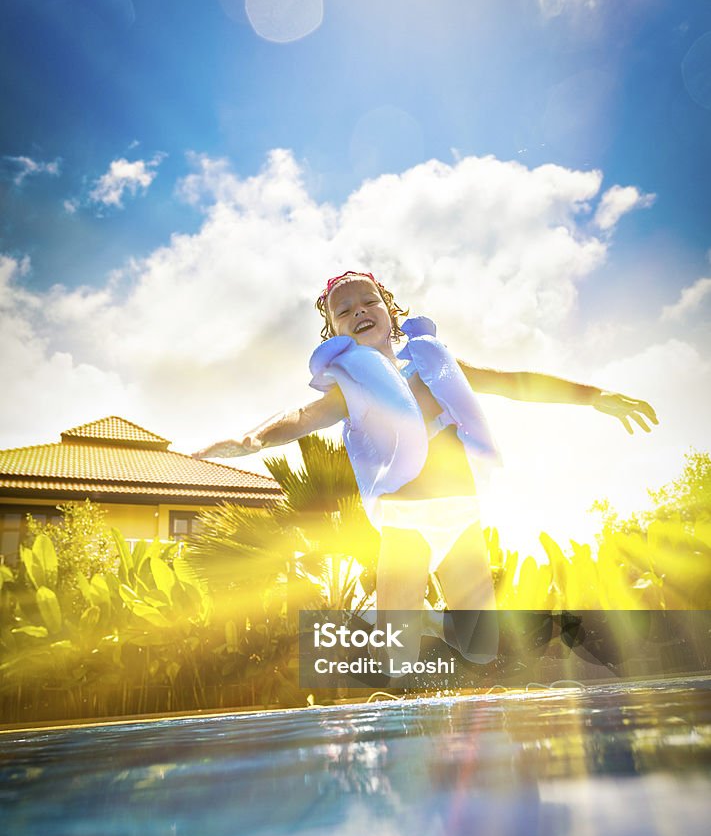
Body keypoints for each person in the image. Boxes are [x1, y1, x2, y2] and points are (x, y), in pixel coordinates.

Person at [193, 270, 658, 674]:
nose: (359, 311)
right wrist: (252, 440)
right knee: (395, 656)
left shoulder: (436, 366)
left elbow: (516, 383)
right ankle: (415, 629)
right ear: (333, 331)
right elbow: (300, 416)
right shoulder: (351, 388)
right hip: (405, 521)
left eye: (369, 301)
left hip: (460, 514)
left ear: (390, 310)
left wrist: (595, 396)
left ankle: (439, 626)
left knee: (480, 648)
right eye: (345, 310)